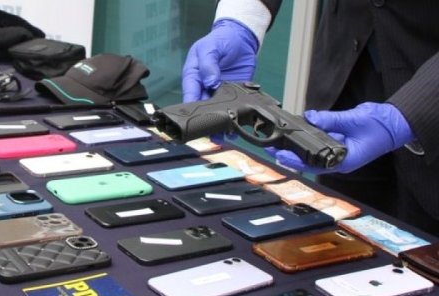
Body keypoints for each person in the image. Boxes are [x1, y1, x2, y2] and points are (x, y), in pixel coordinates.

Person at [182, 0, 439, 237]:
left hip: (430, 101)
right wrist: (241, 21)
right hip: (343, 73)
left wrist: (409, 114)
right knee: (334, 240)